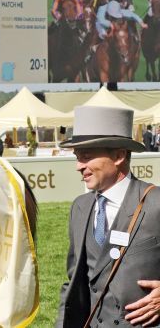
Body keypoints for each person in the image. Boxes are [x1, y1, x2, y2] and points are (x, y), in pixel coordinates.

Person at [56, 106, 160, 327]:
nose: (78, 166)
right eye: (77, 157)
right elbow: (74, 281)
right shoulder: (80, 207)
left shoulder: (156, 202)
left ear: (119, 156)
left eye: (86, 156)